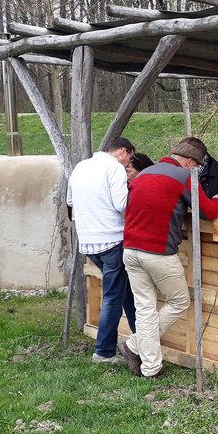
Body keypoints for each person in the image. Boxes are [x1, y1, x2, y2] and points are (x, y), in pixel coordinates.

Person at [119, 137, 218, 378]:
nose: (196, 170)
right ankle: (134, 345)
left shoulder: (144, 174)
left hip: (130, 249)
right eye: (196, 165)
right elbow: (207, 212)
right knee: (179, 301)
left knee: (144, 308)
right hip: (158, 253)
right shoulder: (184, 177)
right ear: (189, 161)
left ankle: (150, 366)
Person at [66, 136, 138, 365]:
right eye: (130, 158)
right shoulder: (114, 168)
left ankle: (141, 340)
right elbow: (121, 204)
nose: (129, 164)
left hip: (88, 241)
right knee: (112, 297)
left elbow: (70, 200)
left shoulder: (81, 166)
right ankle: (104, 352)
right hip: (112, 239)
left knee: (125, 291)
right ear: (123, 152)